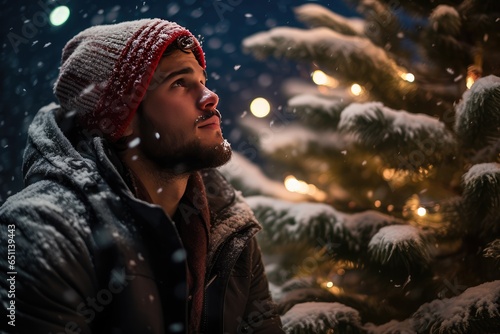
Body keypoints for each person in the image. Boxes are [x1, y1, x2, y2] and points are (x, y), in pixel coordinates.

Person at [0, 19, 284, 334]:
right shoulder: (40, 230)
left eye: (203, 80)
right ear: (122, 120)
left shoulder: (229, 225)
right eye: (179, 83)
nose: (210, 97)